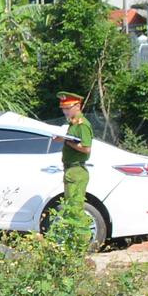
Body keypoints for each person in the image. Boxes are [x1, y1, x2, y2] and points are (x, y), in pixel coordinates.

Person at [52, 91, 93, 239]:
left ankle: (83, 241)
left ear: (77, 106)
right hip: (71, 170)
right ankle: (76, 240)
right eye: (63, 108)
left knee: (75, 208)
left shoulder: (82, 125)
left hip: (76, 170)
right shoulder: (72, 124)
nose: (64, 111)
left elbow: (86, 148)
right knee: (70, 208)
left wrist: (66, 141)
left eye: (67, 108)